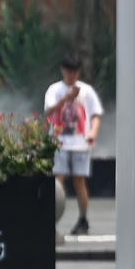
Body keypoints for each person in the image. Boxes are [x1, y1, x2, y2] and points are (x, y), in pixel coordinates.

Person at [44, 54, 103, 236]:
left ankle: (83, 218)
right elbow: (48, 111)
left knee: (79, 181)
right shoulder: (55, 89)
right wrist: (66, 98)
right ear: (64, 71)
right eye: (70, 72)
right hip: (60, 142)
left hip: (80, 143)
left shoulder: (86, 90)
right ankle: (51, 220)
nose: (72, 76)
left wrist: (93, 132)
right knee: (58, 181)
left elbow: (96, 114)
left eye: (76, 72)